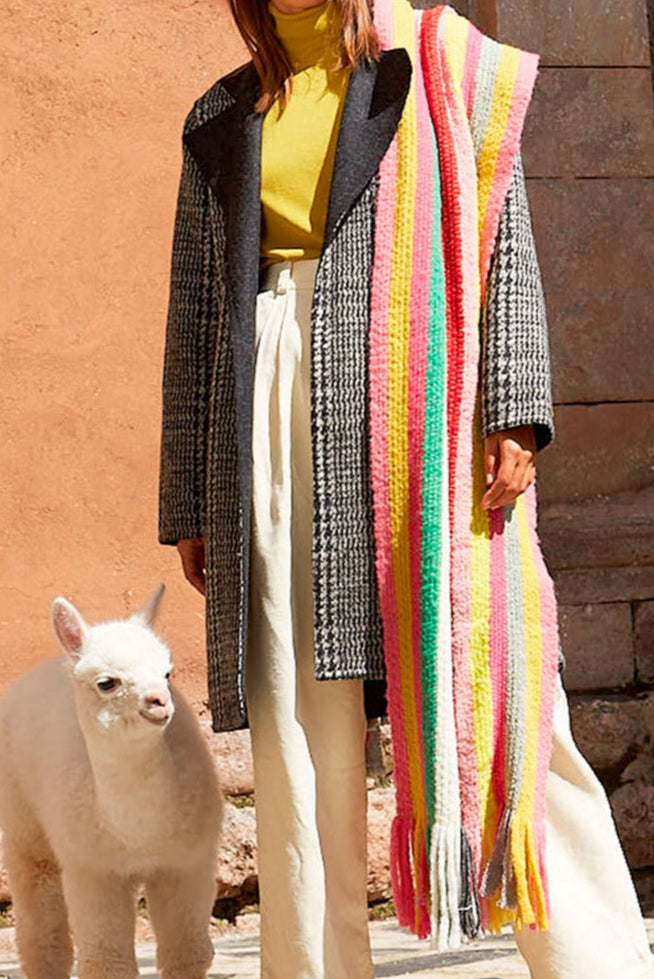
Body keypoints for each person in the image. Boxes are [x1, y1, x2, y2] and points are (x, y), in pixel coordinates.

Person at [158, 0, 654, 976]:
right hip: (268, 412)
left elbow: (501, 230)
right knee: (296, 721)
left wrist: (514, 404)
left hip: (422, 407)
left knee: (505, 690)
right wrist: (190, 496)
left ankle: (597, 961)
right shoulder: (219, 114)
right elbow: (197, 307)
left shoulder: (434, 68)